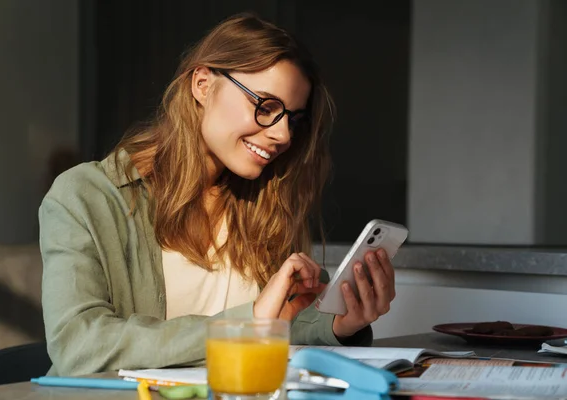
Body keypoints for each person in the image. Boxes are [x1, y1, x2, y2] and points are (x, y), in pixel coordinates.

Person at [39, 13, 396, 377]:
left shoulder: (265, 203)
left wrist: (339, 324)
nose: (284, 135)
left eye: (293, 118)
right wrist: (249, 324)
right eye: (266, 106)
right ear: (203, 85)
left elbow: (286, 322)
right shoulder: (86, 196)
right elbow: (77, 346)